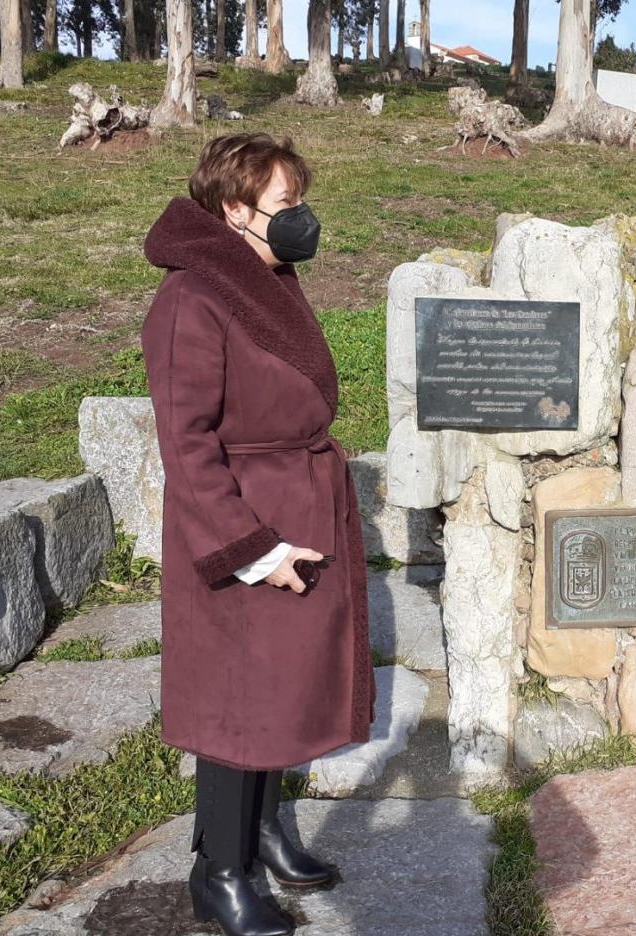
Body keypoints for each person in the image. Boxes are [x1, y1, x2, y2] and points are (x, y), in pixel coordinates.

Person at [141, 133, 377, 935]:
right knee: (239, 702)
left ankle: (267, 832)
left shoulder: (263, 280)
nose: (301, 221)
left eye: (300, 202)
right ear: (233, 212)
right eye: (285, 206)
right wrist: (255, 548)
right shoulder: (191, 300)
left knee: (284, 684)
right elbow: (187, 445)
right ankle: (220, 871)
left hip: (298, 503)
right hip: (241, 522)